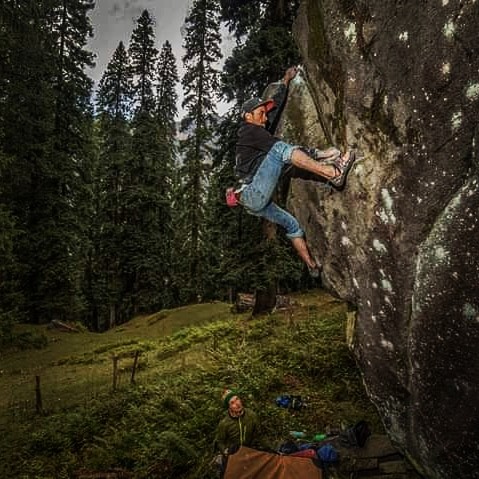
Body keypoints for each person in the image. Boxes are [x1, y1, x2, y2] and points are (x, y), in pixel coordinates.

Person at [234, 66, 356, 276]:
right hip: (253, 193)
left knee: (292, 225)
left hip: (251, 202)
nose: (265, 118)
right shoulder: (249, 131)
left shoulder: (255, 131)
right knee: (280, 150)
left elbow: (275, 108)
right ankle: (334, 173)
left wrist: (286, 79)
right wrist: (319, 154)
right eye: (260, 114)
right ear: (248, 116)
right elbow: (281, 149)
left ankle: (311, 266)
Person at [214, 389, 260, 475]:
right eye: (232, 403)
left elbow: (258, 435)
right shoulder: (224, 423)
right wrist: (225, 451)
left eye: (237, 399)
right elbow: (220, 441)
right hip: (233, 454)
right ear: (229, 407)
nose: (237, 403)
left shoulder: (251, 415)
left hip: (248, 450)